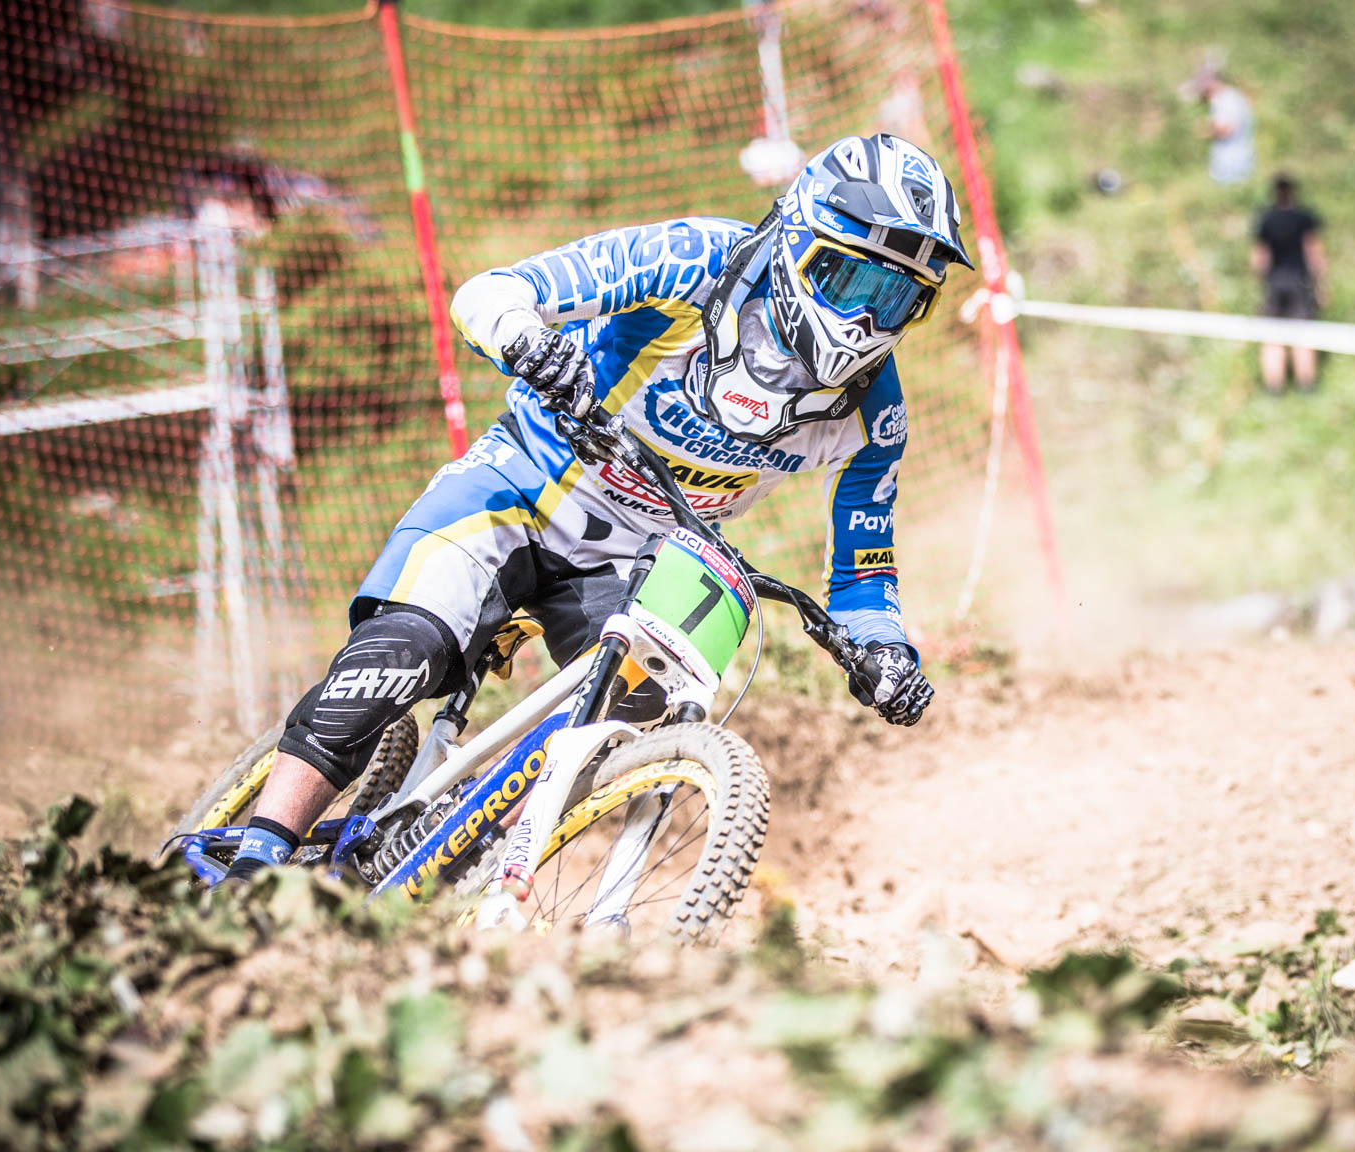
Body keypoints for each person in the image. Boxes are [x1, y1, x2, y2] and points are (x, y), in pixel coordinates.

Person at [217, 134, 966, 884]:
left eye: (898, 298)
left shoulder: (876, 413)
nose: (867, 320)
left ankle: (452, 852)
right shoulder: (694, 261)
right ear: (796, 242)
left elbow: (864, 570)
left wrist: (887, 652)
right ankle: (251, 855)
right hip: (518, 493)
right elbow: (489, 293)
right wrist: (530, 344)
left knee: (637, 704)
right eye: (849, 281)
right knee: (402, 652)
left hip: (635, 560)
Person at [1251, 173, 1327, 393]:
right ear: (1293, 191)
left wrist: (1263, 284)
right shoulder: (1303, 217)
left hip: (1274, 282)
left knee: (1272, 336)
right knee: (1303, 334)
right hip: (1298, 281)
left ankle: (1274, 387)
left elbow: (1259, 258)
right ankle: (1307, 386)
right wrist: (1321, 285)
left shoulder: (1266, 218)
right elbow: (1314, 252)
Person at [1196, 73, 1255, 186]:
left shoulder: (1226, 100)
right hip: (1235, 164)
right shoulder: (1232, 97)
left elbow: (1228, 128)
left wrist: (1207, 130)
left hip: (1231, 167)